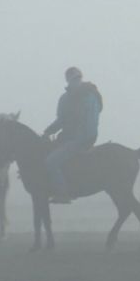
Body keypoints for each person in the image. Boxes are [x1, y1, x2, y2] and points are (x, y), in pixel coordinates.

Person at [42, 67, 103, 203]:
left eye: (77, 78)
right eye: (74, 79)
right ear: (69, 80)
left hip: (80, 139)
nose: (76, 81)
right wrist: (48, 131)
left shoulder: (89, 96)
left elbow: (89, 122)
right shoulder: (68, 98)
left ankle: (63, 193)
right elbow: (61, 121)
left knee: (51, 162)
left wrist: (79, 139)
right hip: (74, 137)